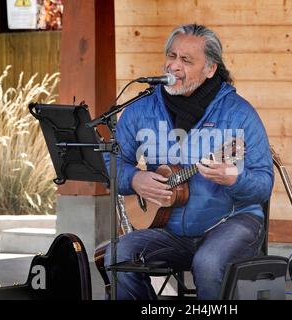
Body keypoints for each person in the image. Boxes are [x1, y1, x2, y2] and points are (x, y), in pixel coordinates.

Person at [104, 23, 274, 300]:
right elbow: (110, 162)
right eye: (171, 56)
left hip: (230, 223)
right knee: (119, 254)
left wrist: (234, 179)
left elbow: (263, 184)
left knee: (208, 263)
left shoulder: (239, 114)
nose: (174, 67)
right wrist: (134, 179)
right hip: (166, 228)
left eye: (186, 60)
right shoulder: (141, 108)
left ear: (210, 69)